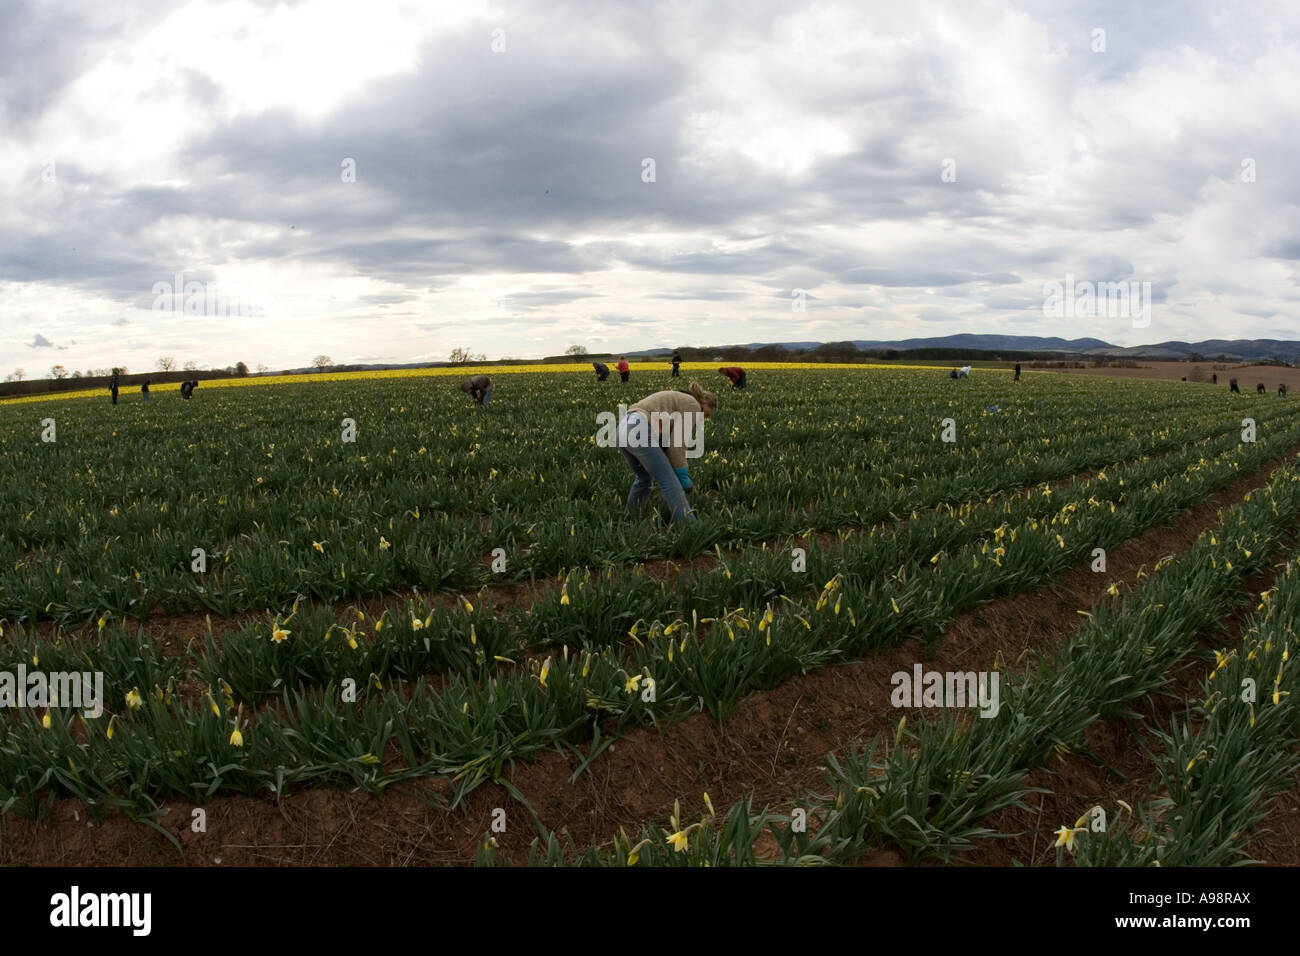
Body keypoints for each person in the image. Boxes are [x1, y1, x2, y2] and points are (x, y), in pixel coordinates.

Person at [616, 382, 716, 523]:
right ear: (704, 402)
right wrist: (681, 473)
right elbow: (677, 443)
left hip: (622, 428)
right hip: (640, 428)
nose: (703, 419)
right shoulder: (693, 405)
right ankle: (690, 528)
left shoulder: (678, 400)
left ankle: (629, 518)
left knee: (644, 477)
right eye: (705, 414)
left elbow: (666, 443)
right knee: (670, 482)